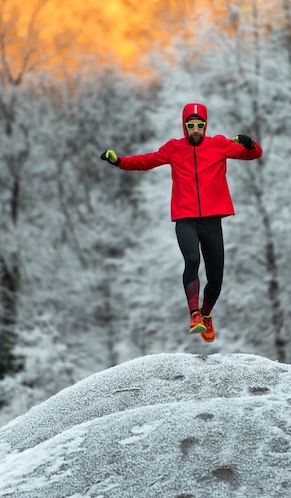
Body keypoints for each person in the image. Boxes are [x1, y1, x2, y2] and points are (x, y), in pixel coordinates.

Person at [101, 102, 262, 342]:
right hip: (186, 219)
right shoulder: (173, 149)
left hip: (212, 220)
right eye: (191, 125)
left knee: (216, 278)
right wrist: (119, 161)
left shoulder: (219, 145)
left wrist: (250, 143)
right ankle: (194, 315)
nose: (195, 129)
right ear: (184, 126)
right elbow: (145, 161)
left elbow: (254, 155)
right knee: (191, 259)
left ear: (205, 126)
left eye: (199, 125)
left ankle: (206, 315)